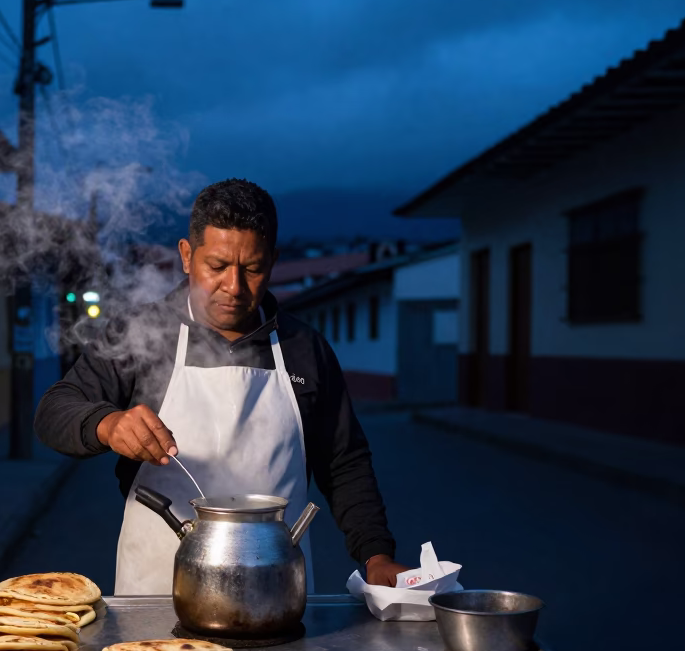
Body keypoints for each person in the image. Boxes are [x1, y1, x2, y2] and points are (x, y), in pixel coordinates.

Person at [34, 178, 409, 593]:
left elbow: (345, 462)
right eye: (217, 266)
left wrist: (377, 554)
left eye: (253, 269)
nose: (234, 287)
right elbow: (53, 410)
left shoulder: (304, 348)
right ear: (186, 256)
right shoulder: (140, 334)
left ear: (273, 261)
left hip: (275, 591)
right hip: (156, 592)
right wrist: (107, 424)